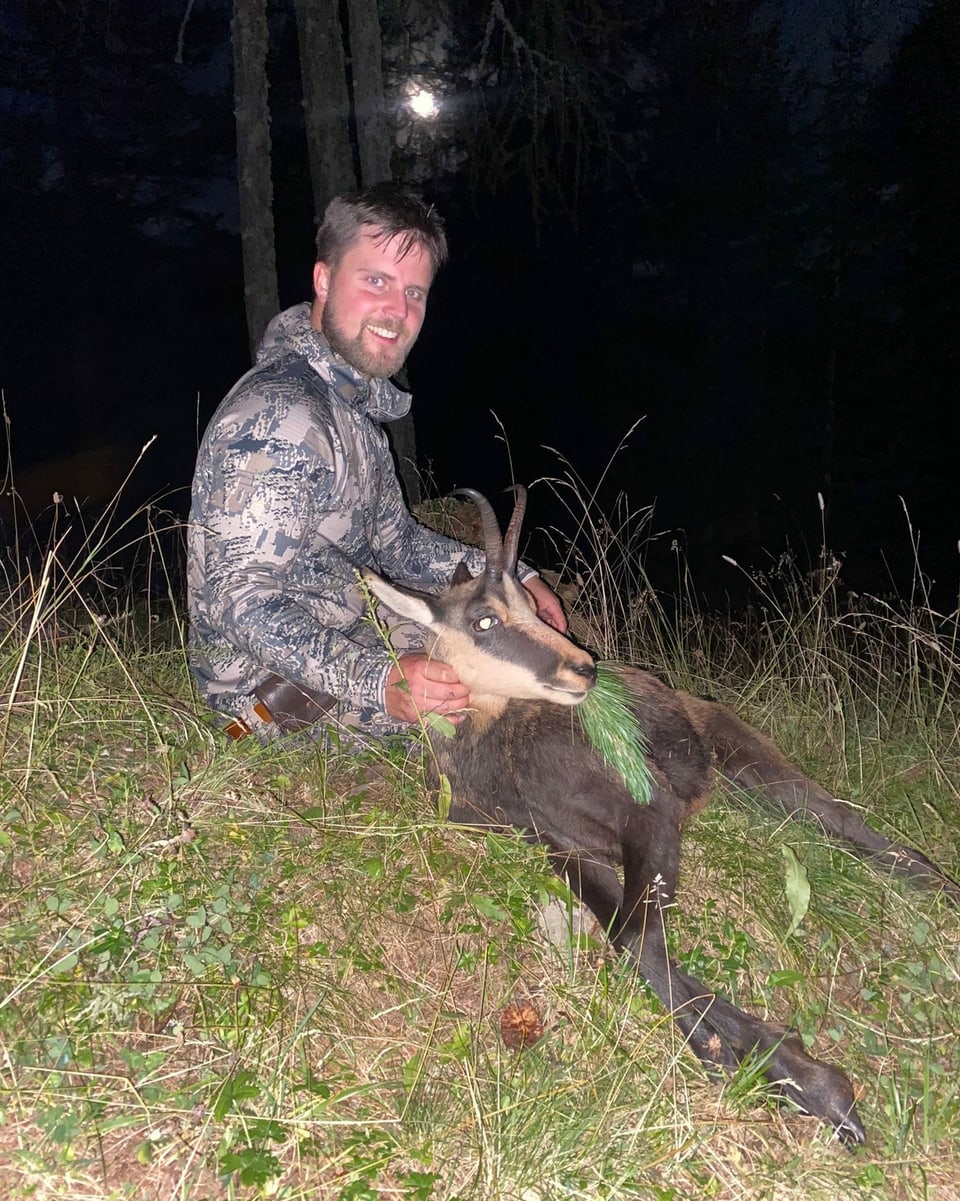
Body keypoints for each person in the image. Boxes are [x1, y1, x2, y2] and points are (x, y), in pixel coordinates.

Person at [188, 183, 564, 741]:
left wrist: (517, 580)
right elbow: (237, 599)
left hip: (354, 625)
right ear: (323, 279)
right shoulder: (283, 415)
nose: (397, 310)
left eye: (415, 292)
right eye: (375, 281)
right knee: (512, 707)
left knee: (524, 664)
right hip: (272, 687)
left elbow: (398, 545)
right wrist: (378, 680)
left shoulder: (347, 409)